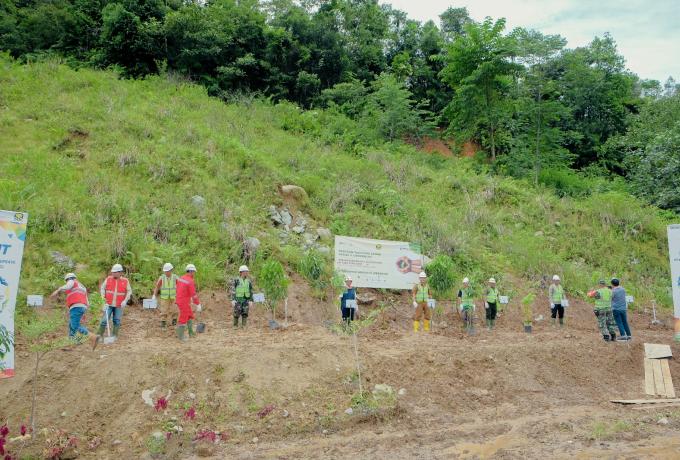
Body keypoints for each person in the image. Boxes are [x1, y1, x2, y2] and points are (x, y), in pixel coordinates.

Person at [50, 273, 98, 349]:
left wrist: (57, 290)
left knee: (75, 326)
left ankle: (92, 337)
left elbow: (68, 286)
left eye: (66, 281)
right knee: (71, 325)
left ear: (68, 279)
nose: (67, 282)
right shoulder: (82, 286)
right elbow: (87, 301)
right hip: (82, 307)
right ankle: (72, 343)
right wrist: (84, 311)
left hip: (76, 306)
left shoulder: (71, 281)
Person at [97, 264, 132, 339]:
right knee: (104, 320)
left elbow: (129, 291)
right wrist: (103, 300)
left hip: (119, 305)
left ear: (120, 272)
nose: (113, 273)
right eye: (112, 272)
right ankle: (99, 335)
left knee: (117, 320)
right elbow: (102, 288)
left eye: (115, 272)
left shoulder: (125, 281)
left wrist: (125, 301)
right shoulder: (108, 279)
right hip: (108, 304)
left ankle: (114, 336)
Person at [175, 264, 202, 341]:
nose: (194, 273)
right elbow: (193, 294)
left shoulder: (181, 278)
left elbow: (179, 289)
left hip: (181, 300)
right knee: (183, 317)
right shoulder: (190, 281)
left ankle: (191, 333)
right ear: (191, 271)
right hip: (183, 301)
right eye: (193, 272)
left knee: (189, 315)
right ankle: (181, 337)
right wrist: (198, 304)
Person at [152, 262, 179, 329]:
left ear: (171, 270)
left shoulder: (175, 277)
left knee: (175, 309)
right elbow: (157, 287)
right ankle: (163, 323)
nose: (166, 273)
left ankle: (174, 322)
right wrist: (154, 295)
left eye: (167, 271)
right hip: (164, 297)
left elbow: (180, 285)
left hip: (174, 296)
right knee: (164, 310)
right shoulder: (162, 278)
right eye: (165, 271)